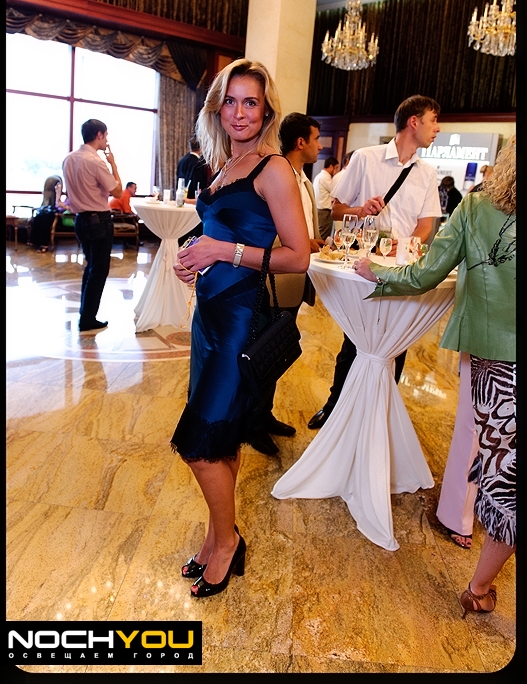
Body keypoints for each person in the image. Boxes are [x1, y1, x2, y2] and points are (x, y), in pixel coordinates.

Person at [353, 135, 516, 618]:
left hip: (495, 358)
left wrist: (377, 273)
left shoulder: (477, 209)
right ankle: (479, 582)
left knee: (501, 464)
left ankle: (479, 583)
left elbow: (426, 274)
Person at [171, 59, 310, 599]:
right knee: (221, 436)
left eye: (250, 102)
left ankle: (227, 542)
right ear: (217, 108)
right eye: (230, 101)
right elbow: (217, 231)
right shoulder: (224, 165)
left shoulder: (272, 169)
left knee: (198, 444)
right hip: (208, 316)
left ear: (267, 110)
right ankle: (216, 538)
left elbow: (298, 256)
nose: (239, 112)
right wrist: (195, 256)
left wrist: (222, 251)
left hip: (240, 320)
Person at [308, 94, 443, 430]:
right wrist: (360, 209)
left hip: (400, 268)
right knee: (355, 338)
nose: (437, 128)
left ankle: (379, 417)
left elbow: (426, 225)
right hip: (363, 265)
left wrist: (407, 244)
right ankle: (335, 407)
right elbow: (336, 209)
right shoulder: (366, 158)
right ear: (414, 121)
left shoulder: (427, 173)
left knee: (397, 341)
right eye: (433, 120)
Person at [248, 112, 325, 456]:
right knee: (264, 351)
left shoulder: (304, 181)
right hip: (274, 281)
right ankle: (253, 423)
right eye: (316, 139)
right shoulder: (277, 176)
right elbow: (272, 232)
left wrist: (313, 242)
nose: (320, 146)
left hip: (294, 279)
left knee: (277, 351)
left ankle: (264, 415)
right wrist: (303, 244)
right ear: (300, 142)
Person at [62, 119, 123, 333]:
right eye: (106, 136)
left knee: (90, 268)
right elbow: (117, 192)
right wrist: (113, 164)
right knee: (99, 271)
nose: (106, 140)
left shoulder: (69, 159)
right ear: (99, 135)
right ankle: (88, 319)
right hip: (99, 220)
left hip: (80, 220)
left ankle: (85, 314)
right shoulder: (96, 161)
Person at [27, 175, 71, 252]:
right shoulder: (67, 199)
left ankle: (44, 244)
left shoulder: (73, 200)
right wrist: (58, 197)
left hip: (62, 216)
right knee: (40, 214)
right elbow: (57, 204)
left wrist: (61, 203)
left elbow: (70, 208)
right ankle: (34, 240)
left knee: (47, 217)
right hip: (56, 212)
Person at [313, 155, 339, 240]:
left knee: (322, 233)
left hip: (320, 209)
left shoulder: (320, 176)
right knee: (323, 235)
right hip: (324, 211)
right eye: (336, 167)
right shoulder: (325, 177)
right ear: (331, 166)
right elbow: (335, 190)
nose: (337, 170)